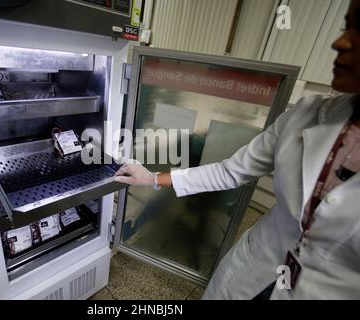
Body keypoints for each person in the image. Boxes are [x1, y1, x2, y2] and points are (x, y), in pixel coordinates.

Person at [114, 0, 360, 300]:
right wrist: (151, 179)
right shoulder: (307, 113)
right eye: (346, 25)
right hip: (252, 271)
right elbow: (231, 171)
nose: (340, 42)